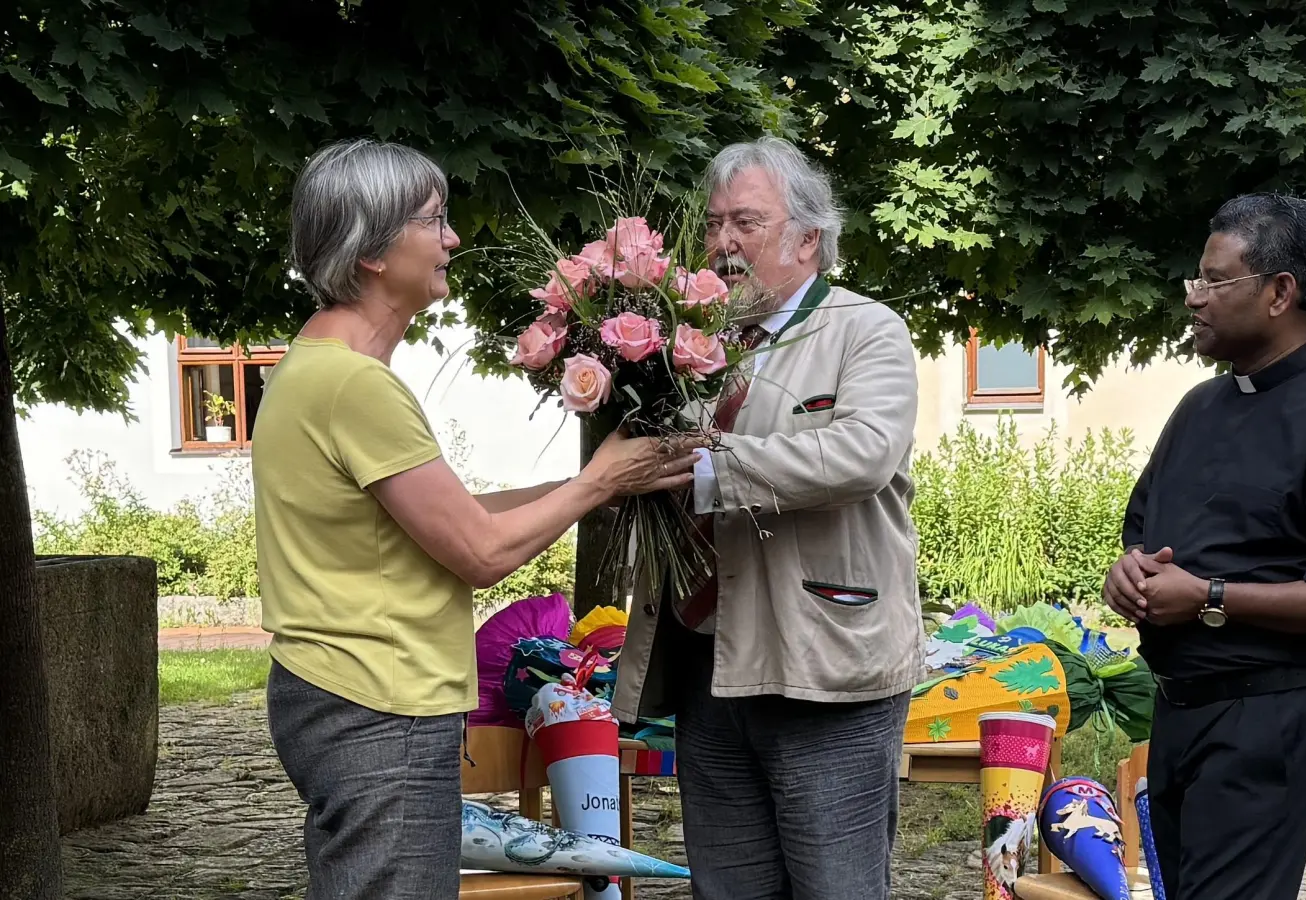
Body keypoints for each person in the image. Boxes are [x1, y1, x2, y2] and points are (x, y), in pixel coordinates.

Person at [253, 138, 700, 900]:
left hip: (343, 696)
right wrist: (595, 486)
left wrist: (598, 482)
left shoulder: (317, 368)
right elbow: (480, 551)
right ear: (371, 251)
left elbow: (448, 519)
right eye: (434, 220)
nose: (452, 239)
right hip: (377, 704)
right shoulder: (354, 386)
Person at [612, 136, 922, 900]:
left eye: (746, 223)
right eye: (714, 224)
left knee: (835, 888)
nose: (721, 244)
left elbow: (865, 453)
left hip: (823, 662)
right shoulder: (692, 343)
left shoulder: (867, 328)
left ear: (808, 238)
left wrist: (710, 466)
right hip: (706, 663)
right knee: (729, 887)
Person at [1103, 193, 1306, 900]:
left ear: (1280, 293)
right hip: (1180, 710)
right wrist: (1127, 574)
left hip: (1269, 721)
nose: (1195, 299)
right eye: (1197, 279)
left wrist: (1210, 598)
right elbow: (1143, 530)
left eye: (1215, 281)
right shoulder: (1199, 408)